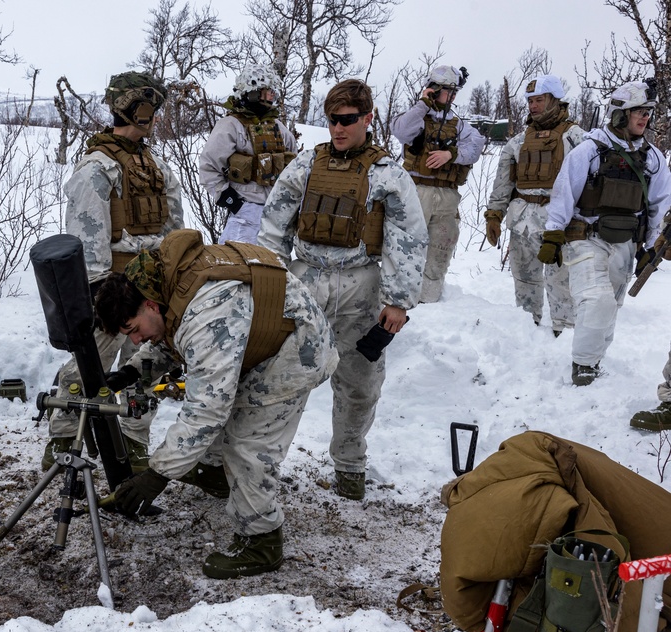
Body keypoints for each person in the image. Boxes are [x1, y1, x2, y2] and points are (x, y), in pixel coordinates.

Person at [95, 229, 338, 578]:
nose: (135, 339)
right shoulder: (166, 283)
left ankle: (261, 541)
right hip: (261, 336)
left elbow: (206, 410)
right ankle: (215, 475)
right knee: (221, 411)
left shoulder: (207, 313)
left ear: (148, 304)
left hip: (296, 352)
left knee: (247, 445)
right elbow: (172, 333)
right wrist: (132, 372)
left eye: (133, 329)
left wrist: (157, 474)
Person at [258, 79, 428, 501]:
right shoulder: (305, 165)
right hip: (306, 281)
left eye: (348, 120)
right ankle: (258, 461)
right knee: (282, 376)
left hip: (361, 286)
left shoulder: (387, 173)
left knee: (359, 382)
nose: (338, 128)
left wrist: (398, 301)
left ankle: (350, 464)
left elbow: (407, 237)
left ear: (367, 119)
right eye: (332, 119)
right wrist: (268, 280)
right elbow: (274, 224)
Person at [42, 71, 185, 472]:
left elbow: (174, 228)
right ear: (133, 108)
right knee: (88, 367)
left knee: (147, 367)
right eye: (148, 107)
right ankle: (64, 436)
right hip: (112, 286)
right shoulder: (97, 168)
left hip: (152, 287)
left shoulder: (154, 165)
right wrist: (99, 292)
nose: (153, 115)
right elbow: (87, 238)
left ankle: (134, 441)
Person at [539, 79, 671, 386]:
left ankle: (595, 361)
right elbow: (563, 194)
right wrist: (553, 234)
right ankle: (583, 367)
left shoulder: (652, 159)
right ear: (619, 114)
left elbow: (659, 206)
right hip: (587, 239)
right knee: (596, 301)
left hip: (625, 244)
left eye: (648, 112)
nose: (644, 117)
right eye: (638, 111)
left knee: (610, 304)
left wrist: (652, 247)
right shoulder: (589, 150)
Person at [484, 75, 584, 336]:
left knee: (560, 280)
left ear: (554, 100)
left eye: (539, 100)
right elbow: (503, 183)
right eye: (530, 100)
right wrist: (494, 215)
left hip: (559, 222)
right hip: (522, 222)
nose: (533, 106)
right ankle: (528, 329)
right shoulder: (517, 142)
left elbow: (590, 182)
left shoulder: (575, 137)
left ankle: (565, 331)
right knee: (524, 279)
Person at [391, 64, 484, 302]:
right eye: (446, 91)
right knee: (406, 247)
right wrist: (423, 104)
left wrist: (450, 154)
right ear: (433, 89)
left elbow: (475, 147)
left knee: (441, 248)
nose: (451, 97)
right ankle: (400, 300)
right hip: (416, 191)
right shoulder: (418, 118)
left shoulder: (459, 124)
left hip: (446, 196)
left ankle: (429, 301)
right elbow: (400, 131)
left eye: (454, 92)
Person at [198, 63, 297, 245]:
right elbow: (208, 168)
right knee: (237, 268)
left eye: (272, 93)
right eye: (265, 93)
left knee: (273, 269)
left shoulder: (278, 128)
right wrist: (232, 203)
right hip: (245, 213)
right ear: (251, 91)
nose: (269, 98)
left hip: (276, 214)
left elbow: (295, 169)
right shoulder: (230, 125)